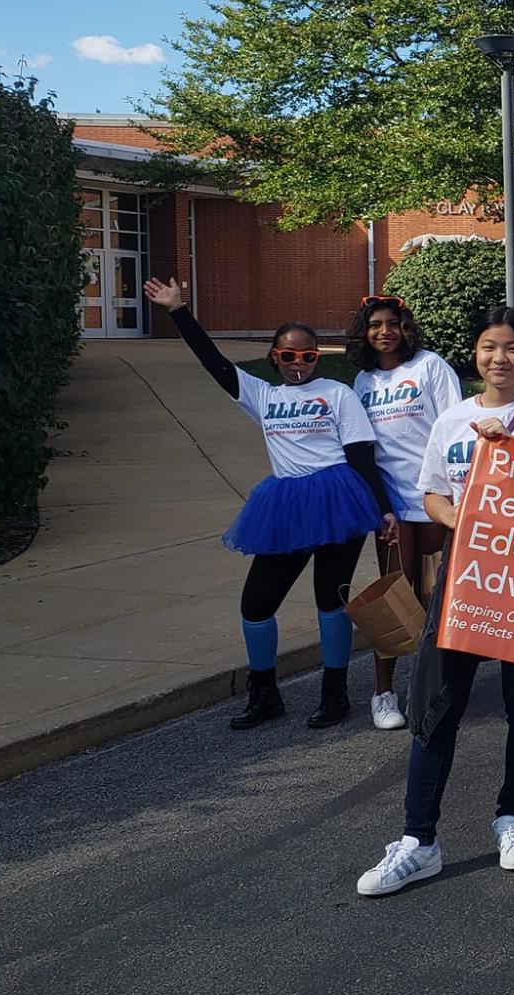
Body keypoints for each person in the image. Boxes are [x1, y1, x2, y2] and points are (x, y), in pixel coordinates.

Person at [357, 306, 514, 897]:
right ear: (475, 355)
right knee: (436, 701)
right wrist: (459, 517)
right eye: (488, 348)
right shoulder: (452, 419)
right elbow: (431, 492)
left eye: (512, 348)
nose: (499, 359)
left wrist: (510, 450)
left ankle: (513, 820)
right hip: (465, 579)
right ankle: (417, 841)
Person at [143, 277, 393, 730]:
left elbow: (361, 455)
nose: (297, 364)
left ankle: (334, 695)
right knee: (256, 604)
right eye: (287, 355)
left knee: (329, 601)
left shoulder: (338, 395)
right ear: (274, 356)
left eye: (307, 356)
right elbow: (213, 363)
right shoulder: (263, 395)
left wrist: (382, 509)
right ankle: (265, 695)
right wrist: (178, 311)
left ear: (317, 357)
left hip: (339, 500)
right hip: (284, 505)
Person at [348, 295, 465, 731]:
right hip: (392, 506)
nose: (384, 332)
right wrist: (378, 506)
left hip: (434, 498)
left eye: (391, 323)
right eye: (375, 325)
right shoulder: (362, 382)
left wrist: (456, 493)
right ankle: (383, 693)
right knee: (394, 597)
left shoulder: (430, 366)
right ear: (364, 332)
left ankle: (434, 687)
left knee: (436, 598)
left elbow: (453, 428)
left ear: (405, 327)